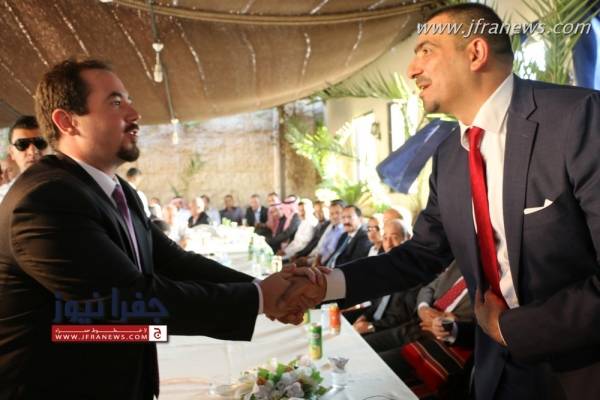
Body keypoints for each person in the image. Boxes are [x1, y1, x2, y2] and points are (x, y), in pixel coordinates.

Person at [283, 4, 600, 399]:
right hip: (495, 372)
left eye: (426, 51)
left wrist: (510, 329)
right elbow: (421, 255)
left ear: (476, 52)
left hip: (580, 372)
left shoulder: (578, 118)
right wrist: (324, 285)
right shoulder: (450, 155)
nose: (411, 70)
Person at [0, 59, 313, 399]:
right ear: (67, 121)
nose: (135, 114)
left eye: (129, 101)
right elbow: (128, 299)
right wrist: (261, 298)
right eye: (116, 102)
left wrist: (260, 288)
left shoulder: (115, 190)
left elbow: (172, 261)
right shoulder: (45, 200)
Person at [0, 115, 49, 202]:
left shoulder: (68, 183)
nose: (32, 152)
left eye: (40, 143)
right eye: (22, 144)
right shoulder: (4, 197)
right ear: (11, 152)